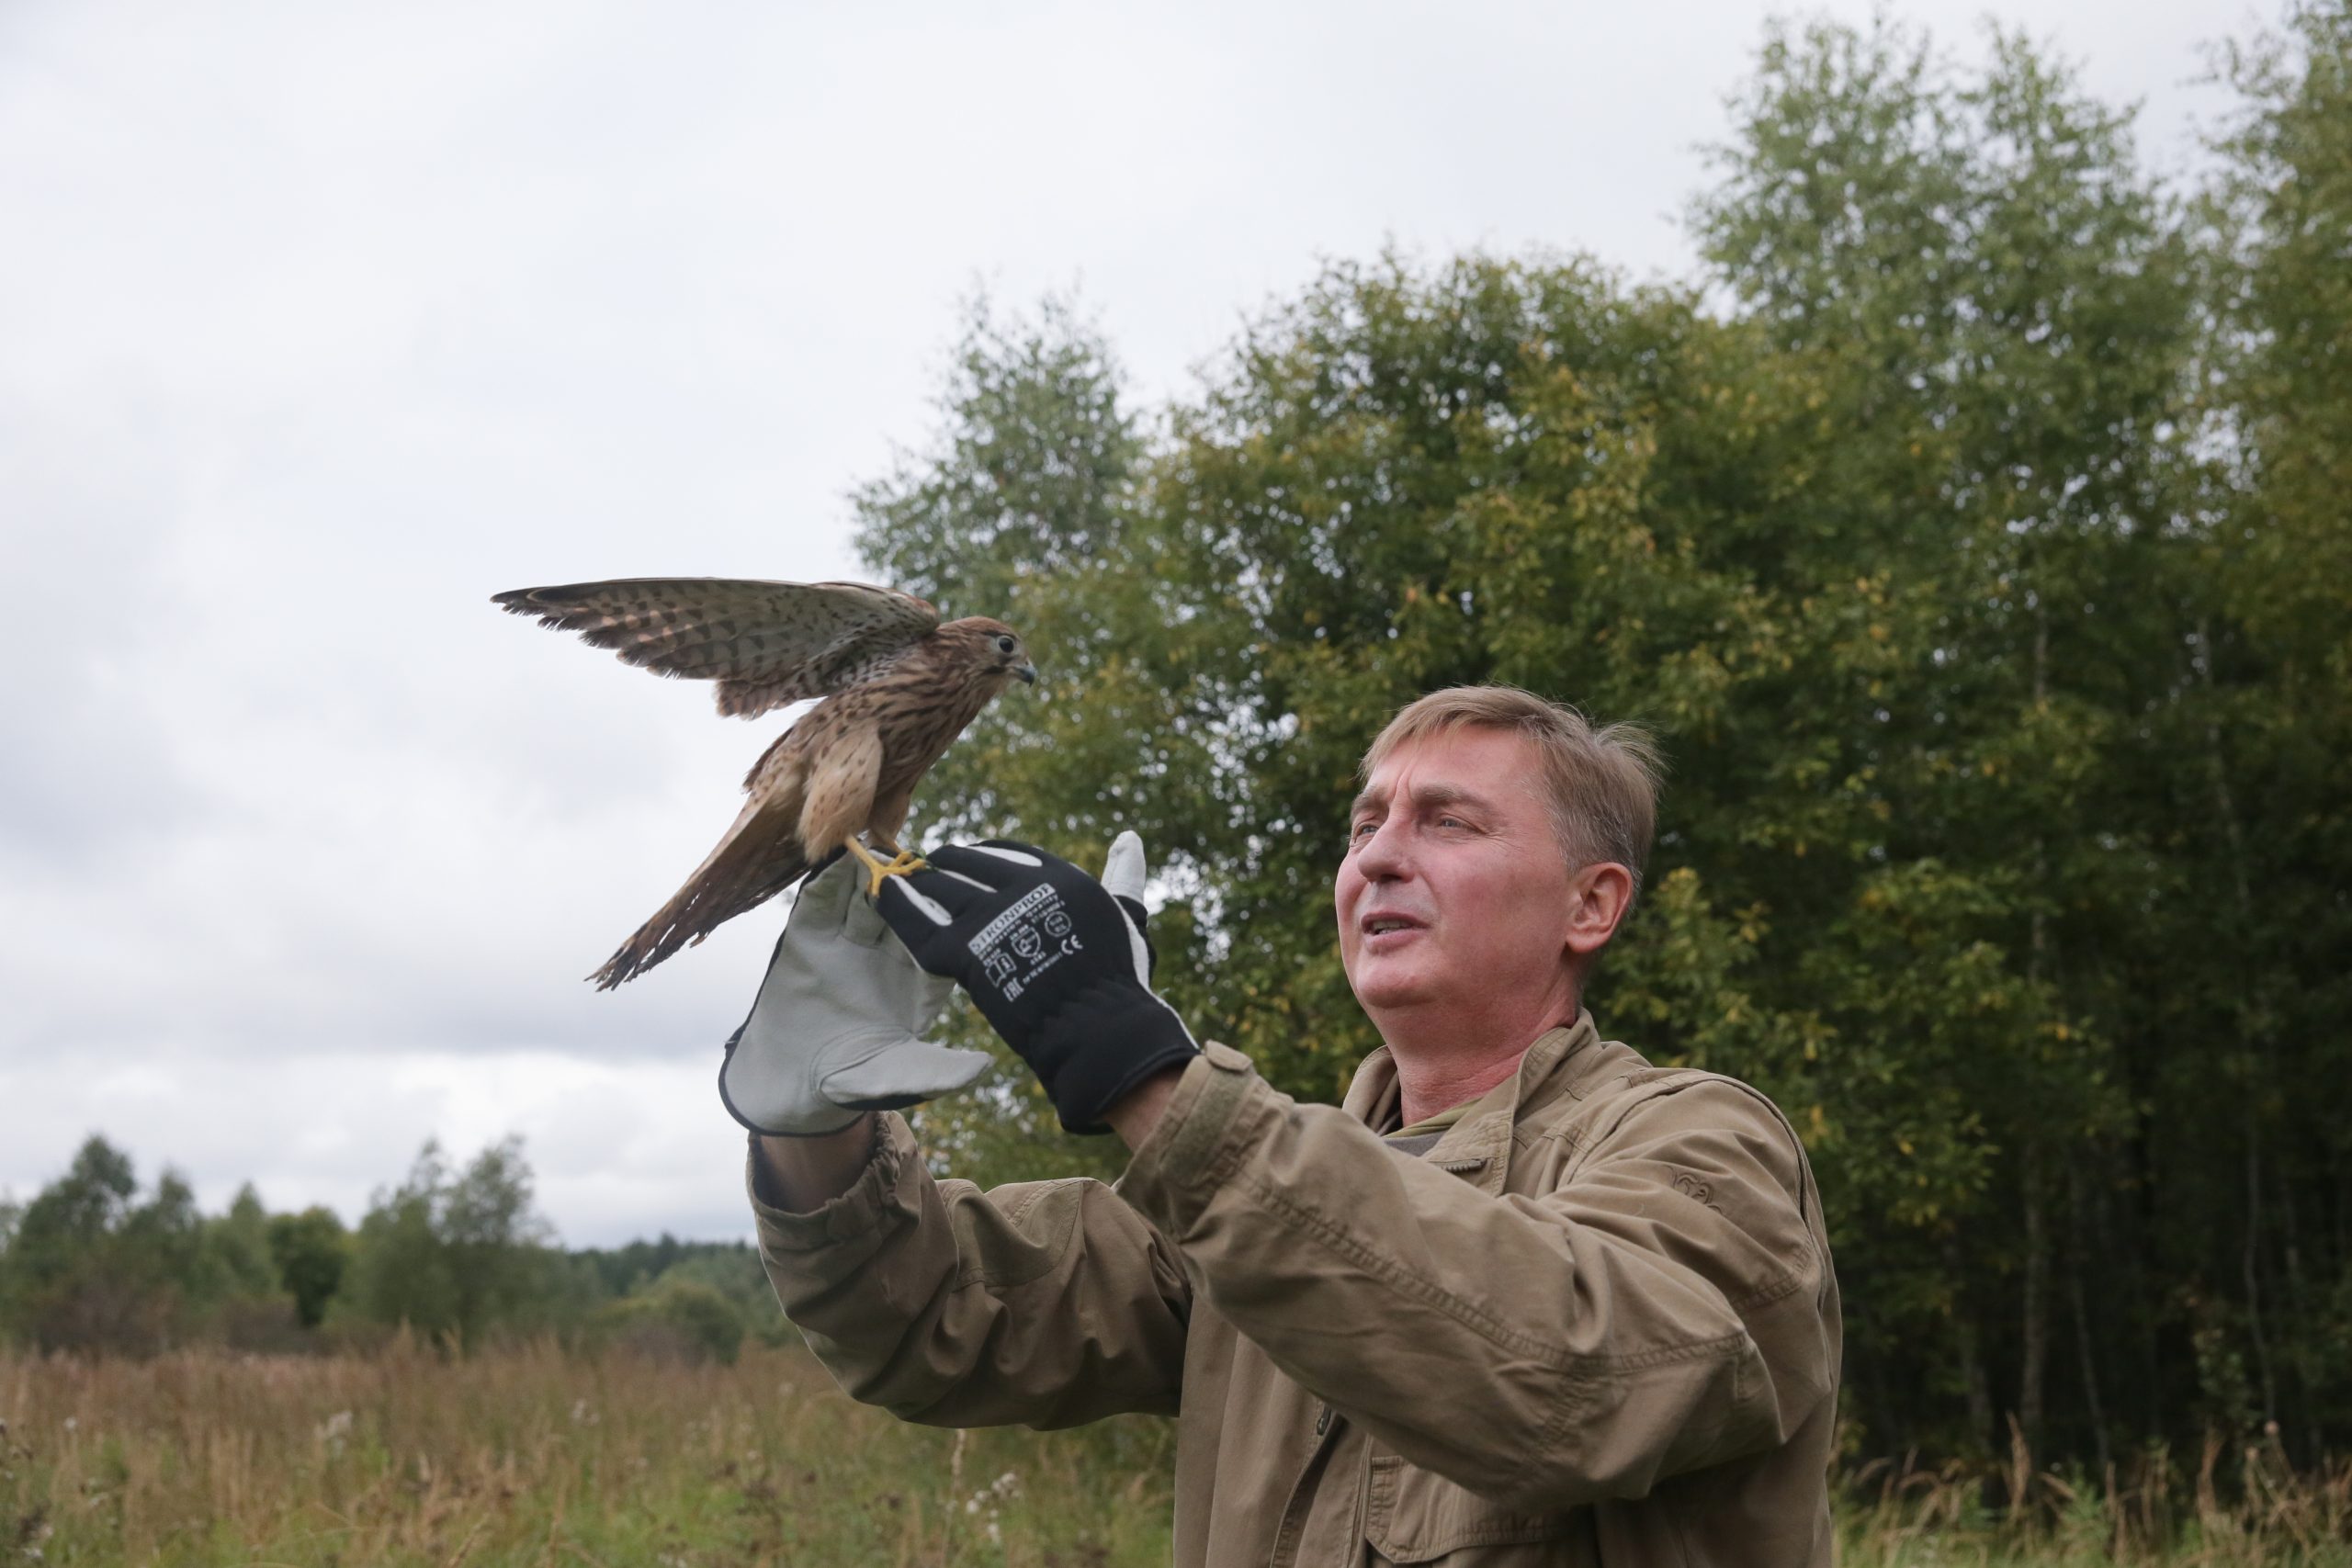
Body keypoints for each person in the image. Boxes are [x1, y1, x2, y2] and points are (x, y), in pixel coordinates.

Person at [724, 686, 1840, 1566]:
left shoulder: (1700, 1145)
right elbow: (937, 1322)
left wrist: (1129, 1058)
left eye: (1448, 821)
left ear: (1590, 905)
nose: (1379, 857)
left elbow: (1574, 1381)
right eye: (1365, 825)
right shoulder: (1251, 1202)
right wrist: (817, 1125)